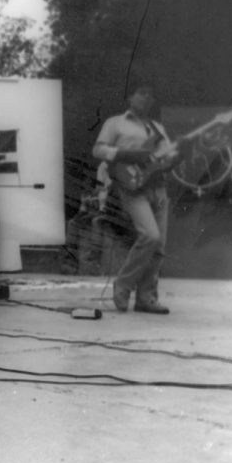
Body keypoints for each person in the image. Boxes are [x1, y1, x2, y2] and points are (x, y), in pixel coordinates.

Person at [93, 83, 186, 314]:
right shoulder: (115, 123)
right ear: (129, 97)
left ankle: (146, 298)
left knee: (159, 246)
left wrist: (177, 156)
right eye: (141, 93)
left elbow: (165, 157)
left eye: (150, 95)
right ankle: (123, 284)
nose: (146, 98)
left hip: (158, 187)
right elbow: (98, 150)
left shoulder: (158, 127)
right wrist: (126, 154)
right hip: (131, 187)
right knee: (150, 235)